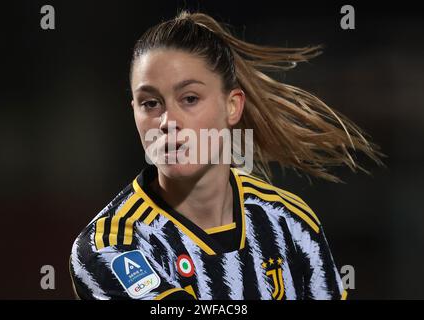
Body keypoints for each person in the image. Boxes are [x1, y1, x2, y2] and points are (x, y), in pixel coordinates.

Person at [69, 10, 384, 300]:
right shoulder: (109, 245)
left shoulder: (291, 224)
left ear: (232, 106)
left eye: (189, 98)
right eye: (150, 103)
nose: (168, 122)